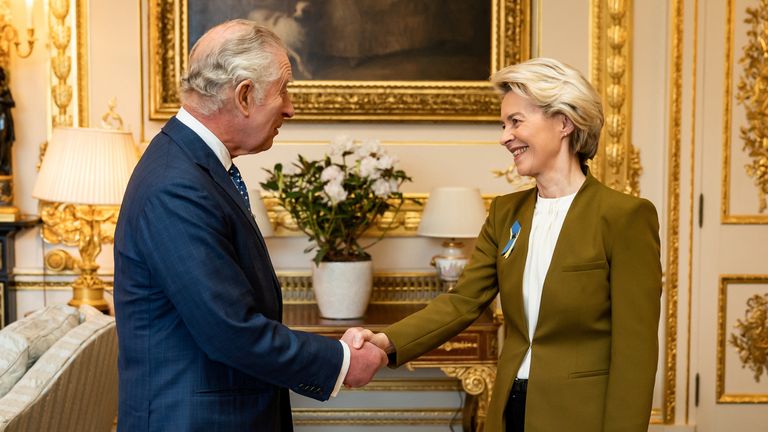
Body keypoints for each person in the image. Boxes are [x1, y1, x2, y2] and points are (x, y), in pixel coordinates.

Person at [346, 58, 662, 432]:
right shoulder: (505, 212)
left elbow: (635, 352)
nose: (504, 137)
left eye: (516, 121)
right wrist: (384, 341)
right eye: (503, 124)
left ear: (563, 122)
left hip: (581, 416)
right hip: (510, 409)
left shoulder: (624, 216)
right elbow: (461, 302)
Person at [113, 20, 387, 431]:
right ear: (244, 96)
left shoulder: (191, 166)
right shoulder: (176, 184)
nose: (291, 107)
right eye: (283, 90)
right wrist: (343, 361)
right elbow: (229, 330)